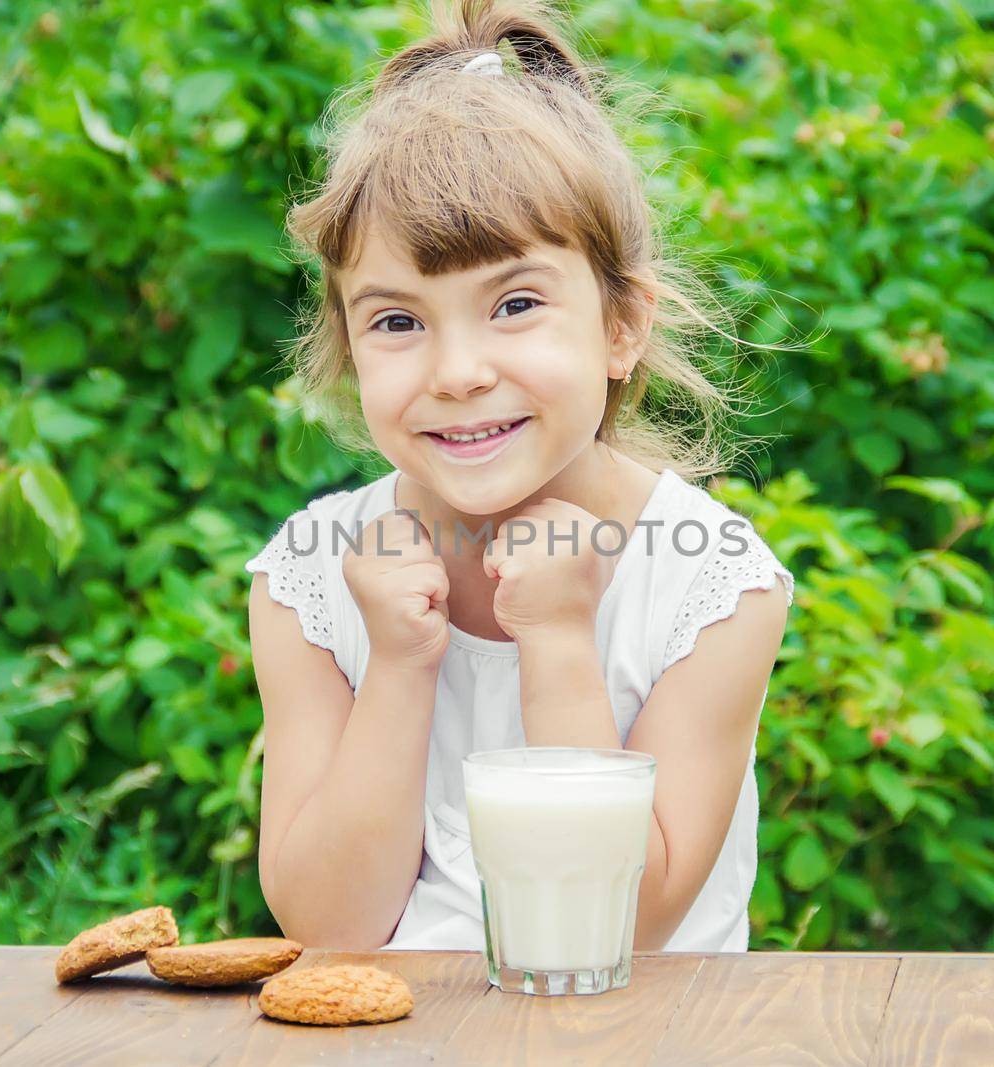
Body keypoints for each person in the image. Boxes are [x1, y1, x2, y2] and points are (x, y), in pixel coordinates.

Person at [245, 0, 796, 953]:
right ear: (347, 347)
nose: (458, 370)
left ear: (621, 326)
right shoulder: (310, 575)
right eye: (398, 321)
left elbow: (622, 924)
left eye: (516, 303)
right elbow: (328, 925)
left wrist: (558, 638)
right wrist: (402, 665)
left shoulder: (712, 581)